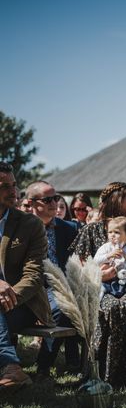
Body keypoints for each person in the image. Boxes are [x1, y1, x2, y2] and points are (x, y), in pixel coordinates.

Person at [69, 182, 126, 387]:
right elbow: (77, 267)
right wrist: (99, 275)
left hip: (125, 282)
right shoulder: (93, 229)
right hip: (99, 285)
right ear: (116, 200)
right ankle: (101, 372)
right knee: (110, 306)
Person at [0, 163, 53, 390]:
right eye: (4, 186)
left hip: (24, 305)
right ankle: (11, 366)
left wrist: (8, 295)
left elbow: (33, 276)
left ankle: (11, 365)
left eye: (14, 185)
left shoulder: (30, 225)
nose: (13, 191)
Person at [24, 180, 81, 379]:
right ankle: (65, 361)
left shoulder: (71, 228)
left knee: (71, 303)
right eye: (47, 199)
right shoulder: (22, 230)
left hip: (66, 286)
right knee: (64, 306)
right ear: (31, 203)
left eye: (56, 198)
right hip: (34, 288)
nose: (54, 203)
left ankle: (51, 364)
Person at [93, 216, 126, 313]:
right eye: (110, 232)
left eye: (116, 232)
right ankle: (96, 305)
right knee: (101, 288)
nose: (112, 235)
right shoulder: (105, 248)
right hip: (109, 278)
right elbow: (95, 261)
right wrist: (107, 256)